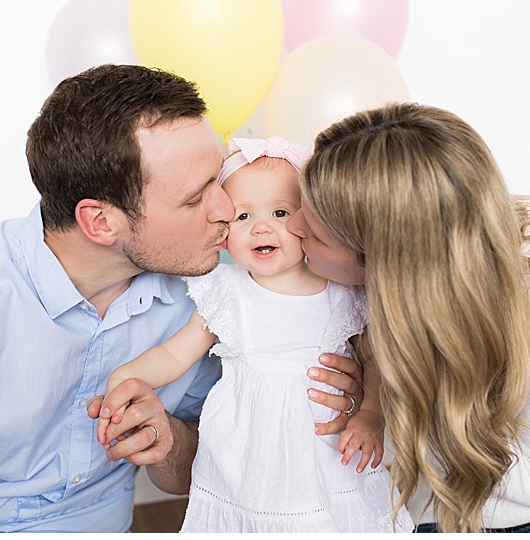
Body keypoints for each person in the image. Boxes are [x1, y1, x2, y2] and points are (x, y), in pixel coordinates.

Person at [0, 65, 363, 533]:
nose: (227, 209)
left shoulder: (201, 294)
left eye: (219, 180)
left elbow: (198, 465)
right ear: (100, 221)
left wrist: (166, 438)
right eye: (196, 197)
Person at [293, 104, 530, 534]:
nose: (294, 227)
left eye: (317, 234)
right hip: (441, 499)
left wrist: (388, 418)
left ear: (385, 263)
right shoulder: (318, 291)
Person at [107, 137, 404, 532]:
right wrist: (128, 378)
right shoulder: (226, 291)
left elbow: (374, 361)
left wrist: (370, 415)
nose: (261, 226)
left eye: (281, 212)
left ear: (310, 220)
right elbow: (175, 354)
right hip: (245, 457)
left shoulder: (341, 289)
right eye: (242, 217)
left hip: (323, 451)